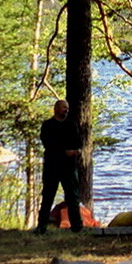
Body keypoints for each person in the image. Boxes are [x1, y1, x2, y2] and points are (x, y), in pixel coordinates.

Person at [36, 99, 83, 233]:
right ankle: (42, 226)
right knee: (48, 196)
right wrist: (63, 151)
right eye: (63, 107)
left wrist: (76, 151)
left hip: (69, 167)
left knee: (73, 197)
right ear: (56, 109)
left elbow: (78, 143)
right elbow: (47, 144)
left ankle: (77, 227)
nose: (66, 110)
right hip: (52, 166)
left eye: (67, 108)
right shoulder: (48, 125)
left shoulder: (71, 125)